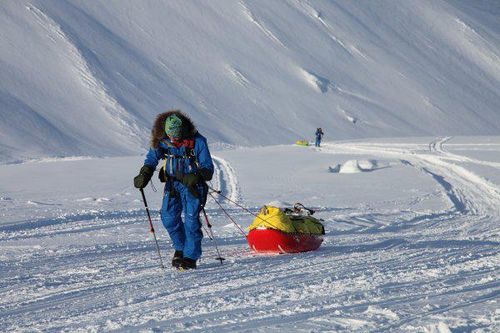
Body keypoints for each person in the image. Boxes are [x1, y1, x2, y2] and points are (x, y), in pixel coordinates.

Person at [133, 110, 214, 270]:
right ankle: (181, 247)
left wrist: (196, 176)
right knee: (168, 218)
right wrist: (145, 173)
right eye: (171, 135)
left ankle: (190, 257)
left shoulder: (198, 141)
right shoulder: (161, 139)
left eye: (177, 135)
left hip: (193, 187)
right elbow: (152, 157)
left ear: (183, 131)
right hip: (172, 185)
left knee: (191, 220)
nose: (173, 139)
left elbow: (208, 168)